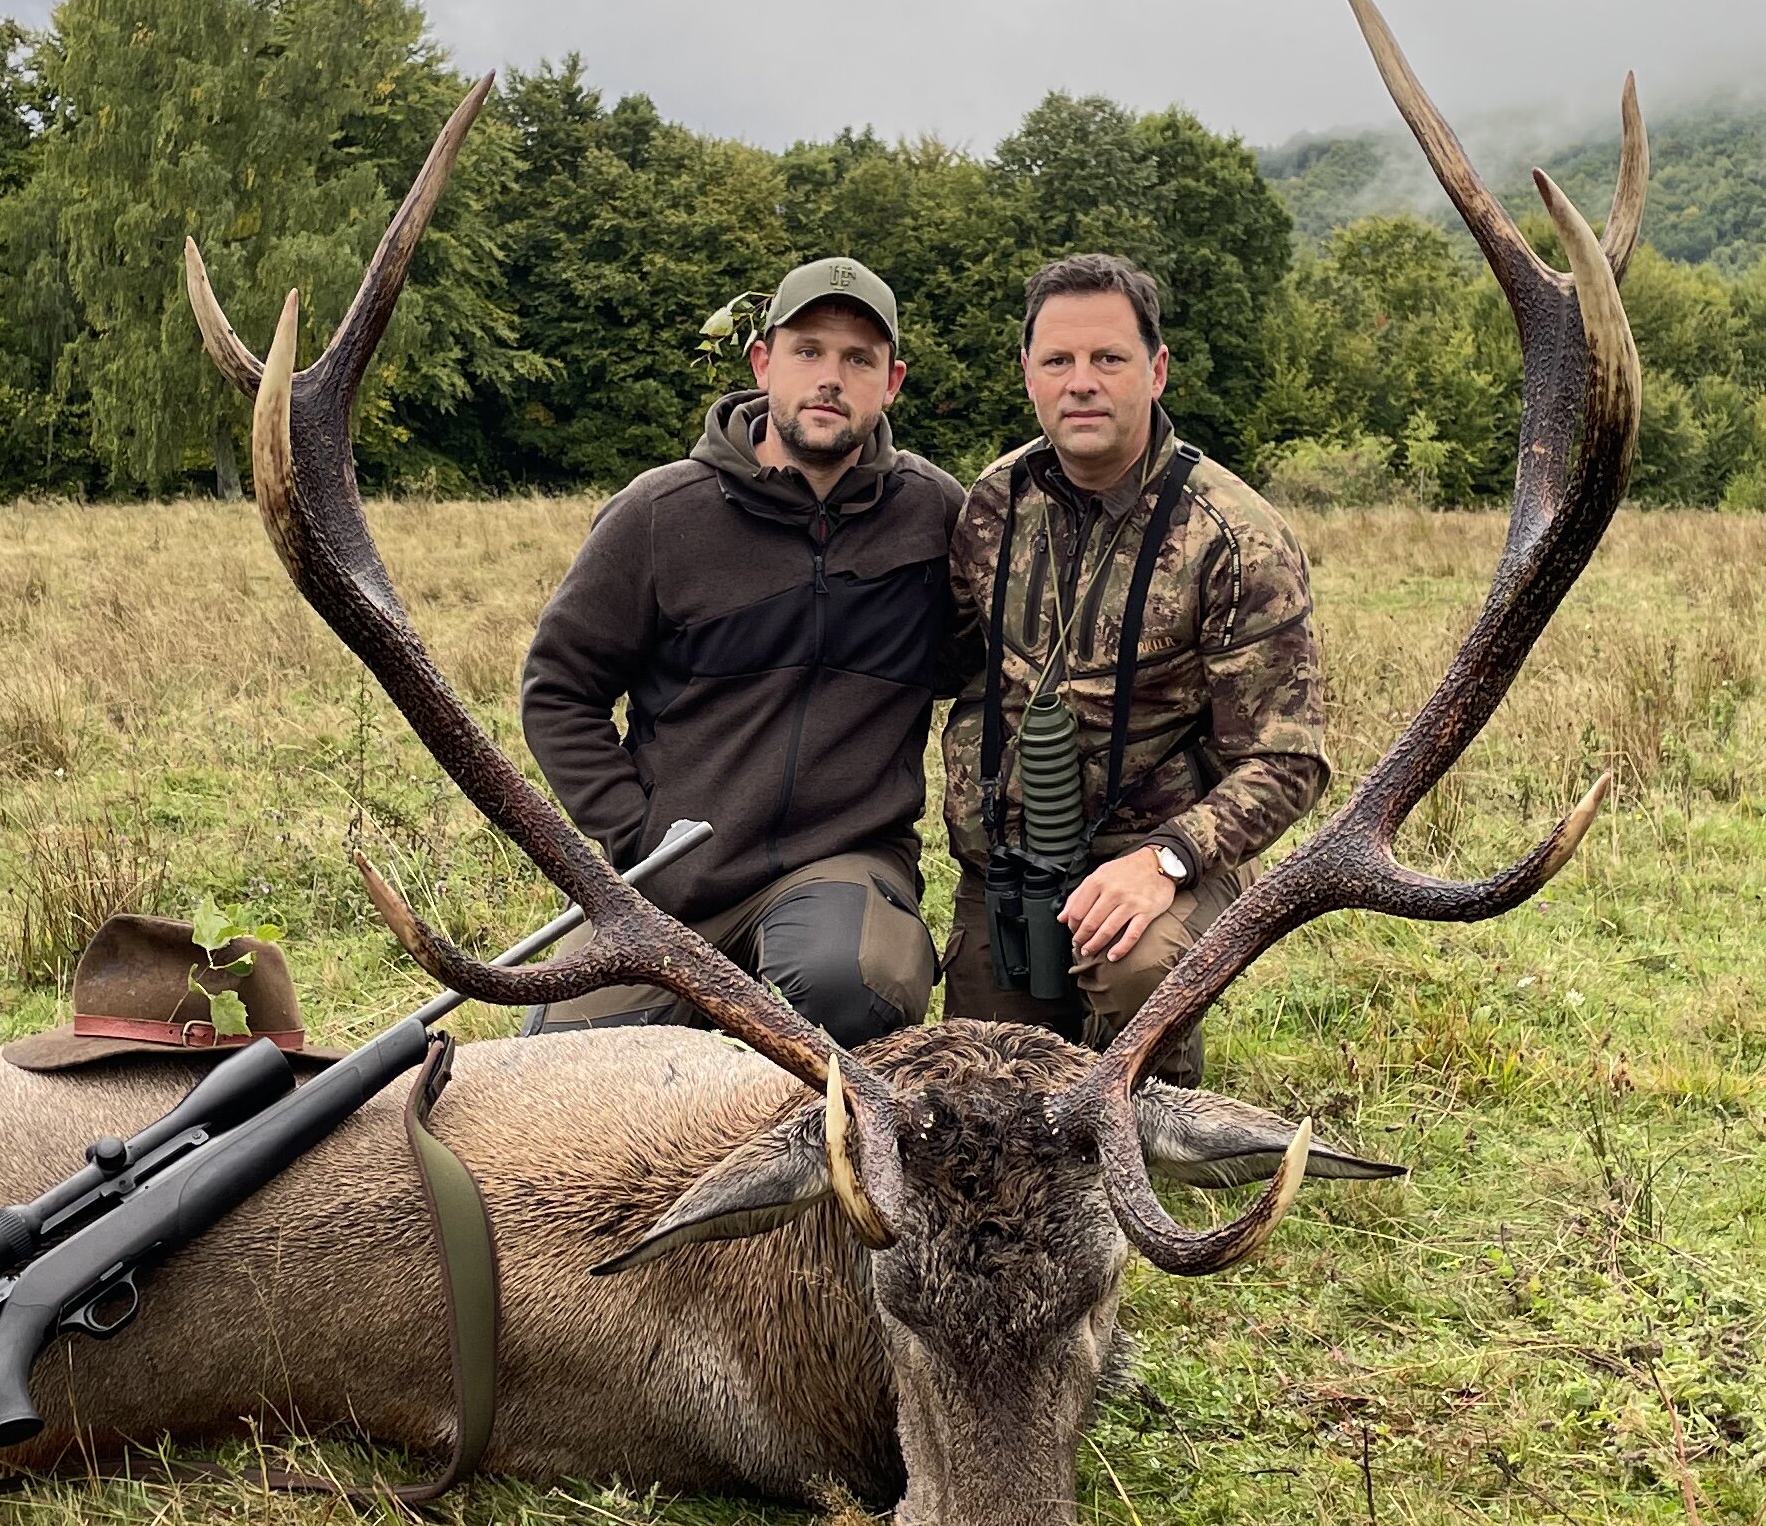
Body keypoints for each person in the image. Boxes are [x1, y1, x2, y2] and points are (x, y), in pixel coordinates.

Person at [517, 256, 960, 1043]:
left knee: (853, 985)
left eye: (859, 359)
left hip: (843, 864)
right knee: (564, 1060)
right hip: (674, 876)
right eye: (809, 351)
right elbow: (559, 689)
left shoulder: (935, 516)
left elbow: (992, 670)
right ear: (763, 363)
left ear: (891, 382)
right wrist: (639, 832)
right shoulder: (660, 514)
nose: (831, 377)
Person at [941, 252, 1327, 1082]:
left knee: (1136, 970)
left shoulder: (1235, 534)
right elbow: (948, 665)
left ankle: (1158, 1085)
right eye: (1059, 361)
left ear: (1154, 371)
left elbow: (1289, 759)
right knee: (981, 1083)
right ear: (1028, 376)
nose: (1082, 382)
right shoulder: (991, 506)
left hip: (1160, 858)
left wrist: (1168, 861)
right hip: (1011, 863)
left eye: (1108, 359)